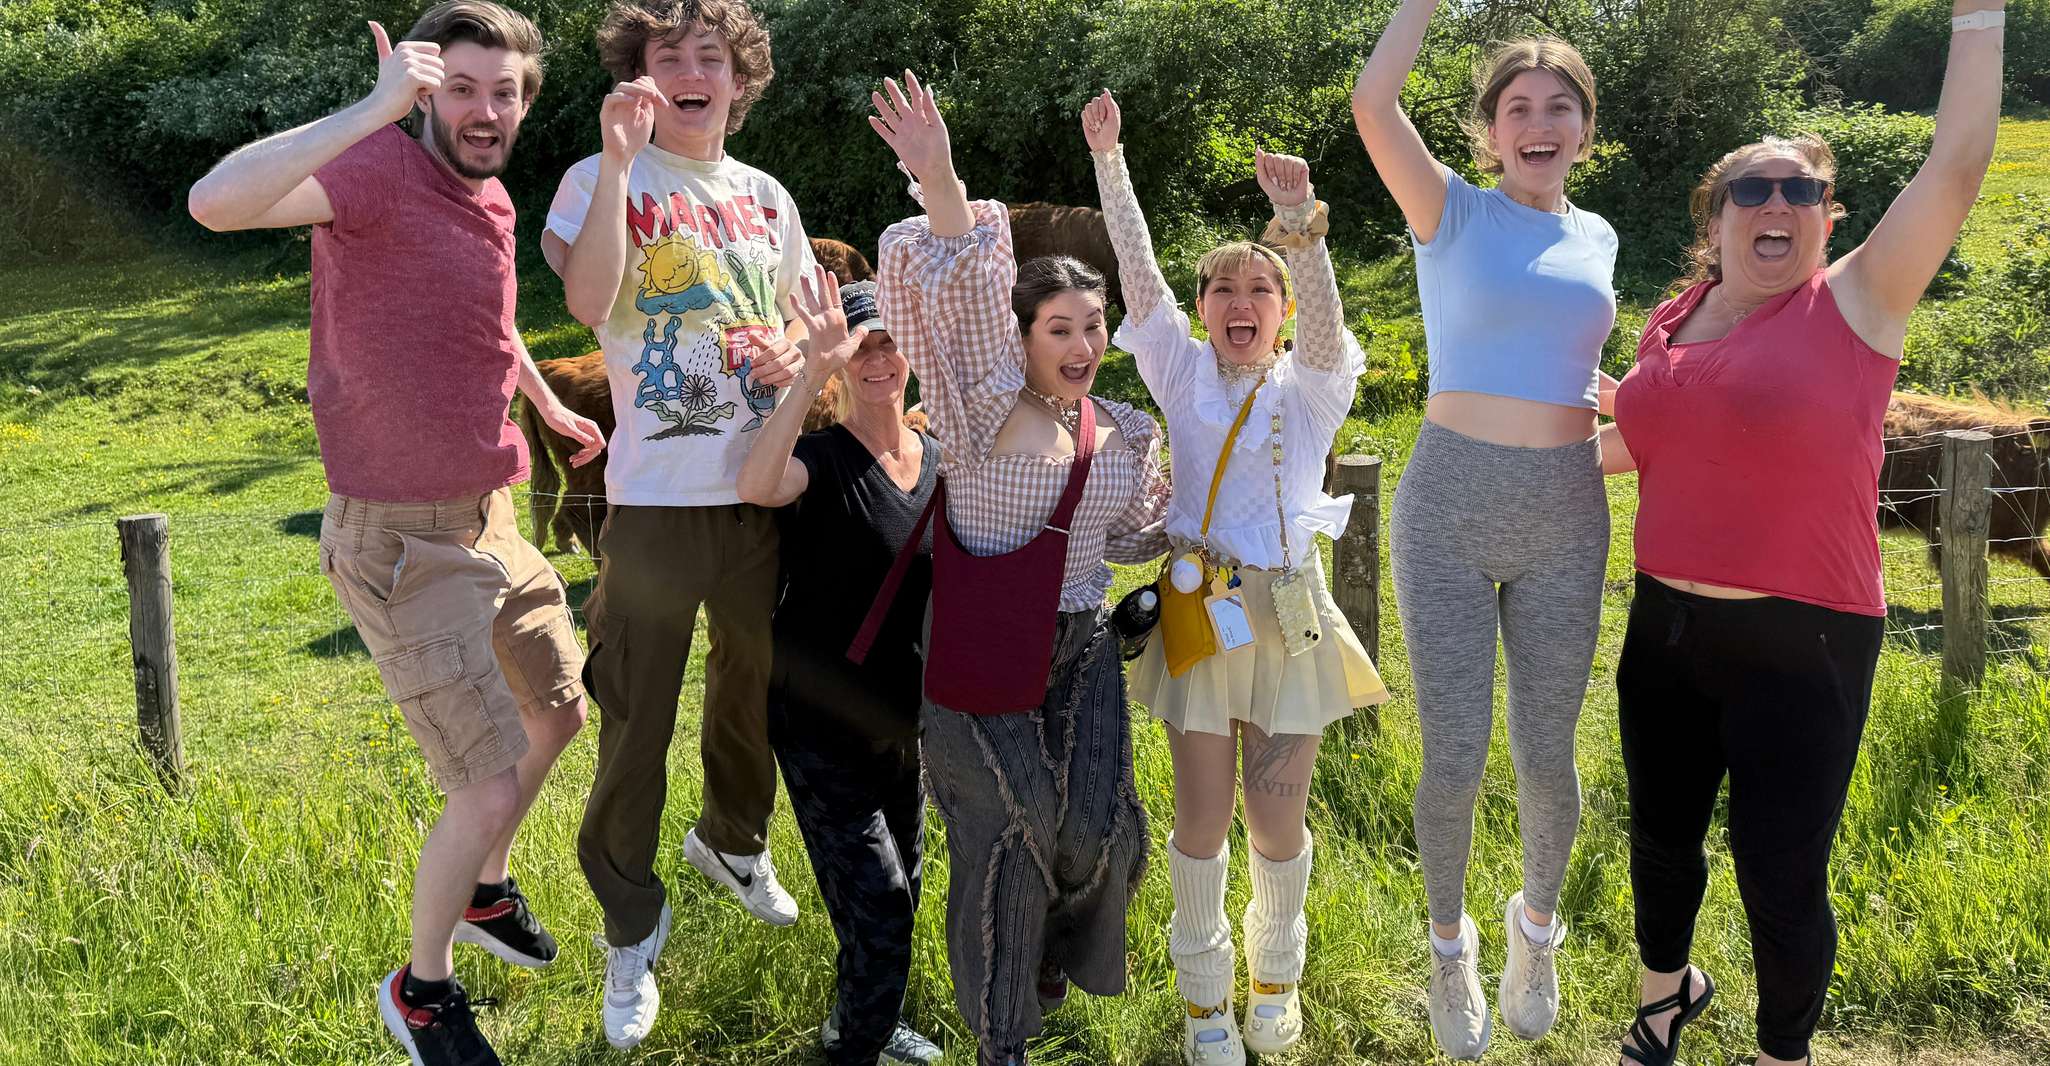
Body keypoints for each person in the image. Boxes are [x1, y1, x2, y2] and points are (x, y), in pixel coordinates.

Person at [186, 4, 603, 1064]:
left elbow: (487, 311)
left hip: (492, 516)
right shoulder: (372, 172)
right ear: (425, 91)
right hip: (401, 541)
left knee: (558, 708)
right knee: (486, 780)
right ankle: (422, 992)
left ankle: (482, 889)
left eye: (504, 91)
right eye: (461, 88)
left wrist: (542, 398)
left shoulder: (493, 197)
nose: (485, 110)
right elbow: (214, 203)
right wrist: (369, 110)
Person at [1598, 5, 2009, 1064]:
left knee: (1778, 874)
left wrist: (1978, 16)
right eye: (1752, 188)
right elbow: (1646, 446)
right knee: (1659, 842)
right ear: (1717, 215)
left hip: (1806, 639)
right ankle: (1662, 1000)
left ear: (1828, 217)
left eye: (1800, 191)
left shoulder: (1857, 302)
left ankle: (1784, 1050)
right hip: (1665, 627)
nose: (1775, 204)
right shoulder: (1674, 323)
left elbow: (1958, 164)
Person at [1081, 91, 1389, 1065]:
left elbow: (1333, 332)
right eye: (1221, 289)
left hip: (1290, 607)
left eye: (1260, 291)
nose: (1240, 303)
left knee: (1276, 814)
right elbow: (1135, 278)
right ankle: (1205, 999)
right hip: (1194, 599)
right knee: (1201, 813)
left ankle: (1274, 981)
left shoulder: (1312, 387)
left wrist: (1299, 232)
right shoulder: (1177, 370)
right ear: (1203, 310)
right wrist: (1110, 160)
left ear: (1283, 313)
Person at [870, 71, 1170, 1066]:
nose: (1081, 345)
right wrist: (942, 176)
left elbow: (1132, 534)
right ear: (1025, 338)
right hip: (980, 653)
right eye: (1059, 329)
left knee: (1100, 832)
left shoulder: (1123, 434)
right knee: (1010, 833)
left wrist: (1215, 526)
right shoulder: (981, 410)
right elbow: (959, 290)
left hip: (1081, 646)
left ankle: (1051, 953)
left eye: (1092, 328)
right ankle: (1003, 1038)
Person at [539, 0, 817, 1049]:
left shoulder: (766, 196)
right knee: (636, 717)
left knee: (752, 694)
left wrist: (794, 351)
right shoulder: (598, 178)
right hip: (654, 502)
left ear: (740, 81)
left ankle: (733, 842)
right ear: (637, 77)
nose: (694, 71)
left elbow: (797, 315)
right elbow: (587, 298)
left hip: (756, 495)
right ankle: (627, 923)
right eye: (670, 57)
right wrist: (616, 163)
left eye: (714, 57)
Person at [1352, 5, 1621, 1058]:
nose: (1539, 121)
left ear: (1583, 131)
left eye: (1560, 106)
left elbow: (1576, 363)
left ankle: (1535, 929)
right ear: (1488, 131)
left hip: (1566, 507)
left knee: (1548, 753)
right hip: (1449, 507)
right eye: (1518, 107)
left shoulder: (1596, 234)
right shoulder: (1450, 213)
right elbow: (1373, 103)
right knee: (1455, 755)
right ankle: (1447, 952)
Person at [734, 270, 943, 1066]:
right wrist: (813, 368)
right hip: (818, 722)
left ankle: (861, 1020)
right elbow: (758, 482)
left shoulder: (937, 460)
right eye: (862, 347)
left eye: (892, 344)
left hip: (902, 720)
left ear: (911, 356)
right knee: (882, 902)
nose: (879, 360)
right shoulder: (819, 457)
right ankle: (856, 1047)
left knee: (903, 890)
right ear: (844, 361)